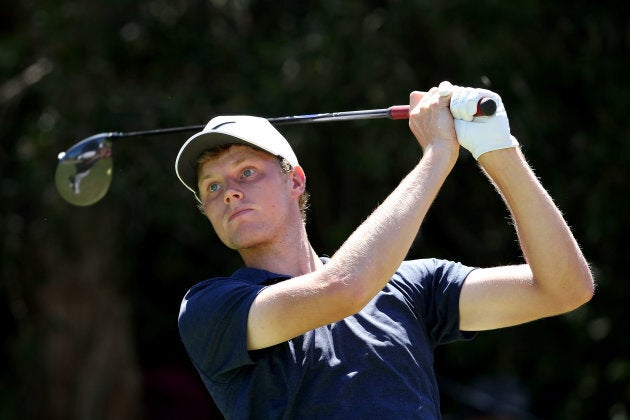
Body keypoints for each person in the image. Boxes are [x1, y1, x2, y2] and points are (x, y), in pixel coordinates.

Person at [174, 82, 594, 419]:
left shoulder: (413, 287)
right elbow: (341, 289)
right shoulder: (210, 309)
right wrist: (437, 154)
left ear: (295, 181)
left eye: (247, 172)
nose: (229, 192)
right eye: (212, 186)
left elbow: (564, 289)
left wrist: (498, 152)